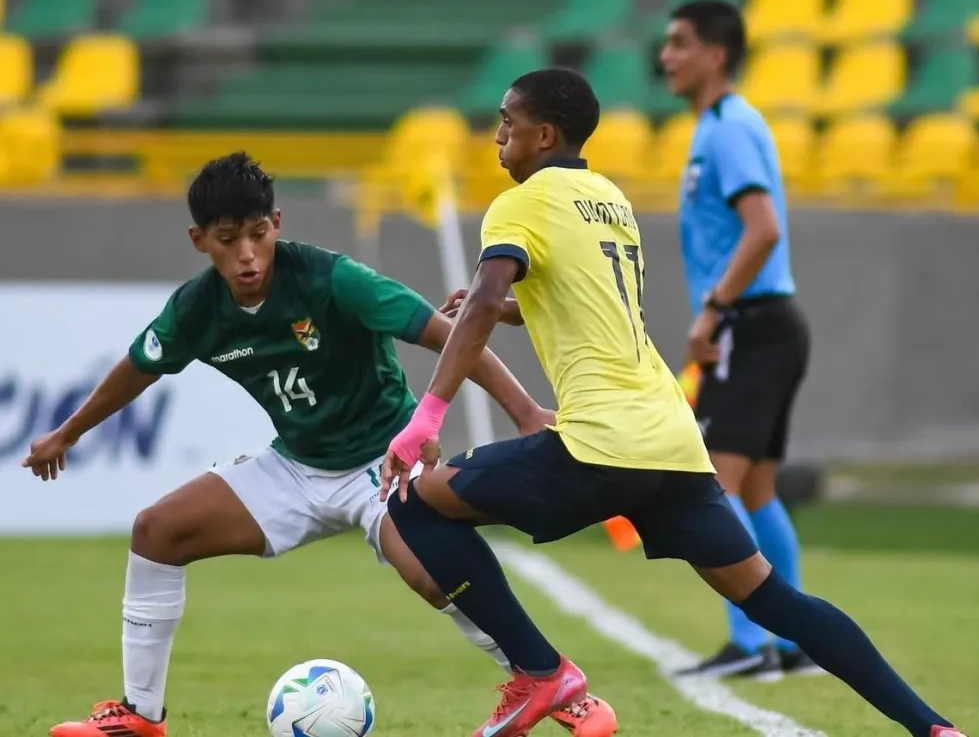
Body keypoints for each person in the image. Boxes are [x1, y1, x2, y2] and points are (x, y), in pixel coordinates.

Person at [380, 68, 965, 737]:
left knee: (412, 504)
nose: (499, 137)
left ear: (544, 134)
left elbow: (482, 301)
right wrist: (516, 311)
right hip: (672, 442)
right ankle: (935, 728)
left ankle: (541, 672)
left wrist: (427, 416)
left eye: (508, 122)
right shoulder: (608, 198)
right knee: (775, 599)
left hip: (599, 442)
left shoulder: (521, 202)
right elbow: (581, 296)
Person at [22, 152, 614, 737]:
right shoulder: (196, 309)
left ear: (276, 224)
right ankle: (139, 715)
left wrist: (525, 410)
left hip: (382, 460)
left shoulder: (333, 279)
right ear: (200, 240)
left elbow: (450, 334)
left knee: (435, 575)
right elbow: (138, 366)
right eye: (229, 240)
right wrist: (66, 433)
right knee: (156, 530)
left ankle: (568, 697)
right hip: (297, 466)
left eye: (258, 234)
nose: (248, 254)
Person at [659, 0, 816, 678]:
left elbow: (764, 227)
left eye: (680, 43)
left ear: (716, 54)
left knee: (712, 487)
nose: (666, 56)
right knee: (755, 491)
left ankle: (754, 644)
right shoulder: (715, 127)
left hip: (750, 327)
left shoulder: (727, 129)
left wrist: (712, 311)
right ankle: (795, 639)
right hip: (765, 325)